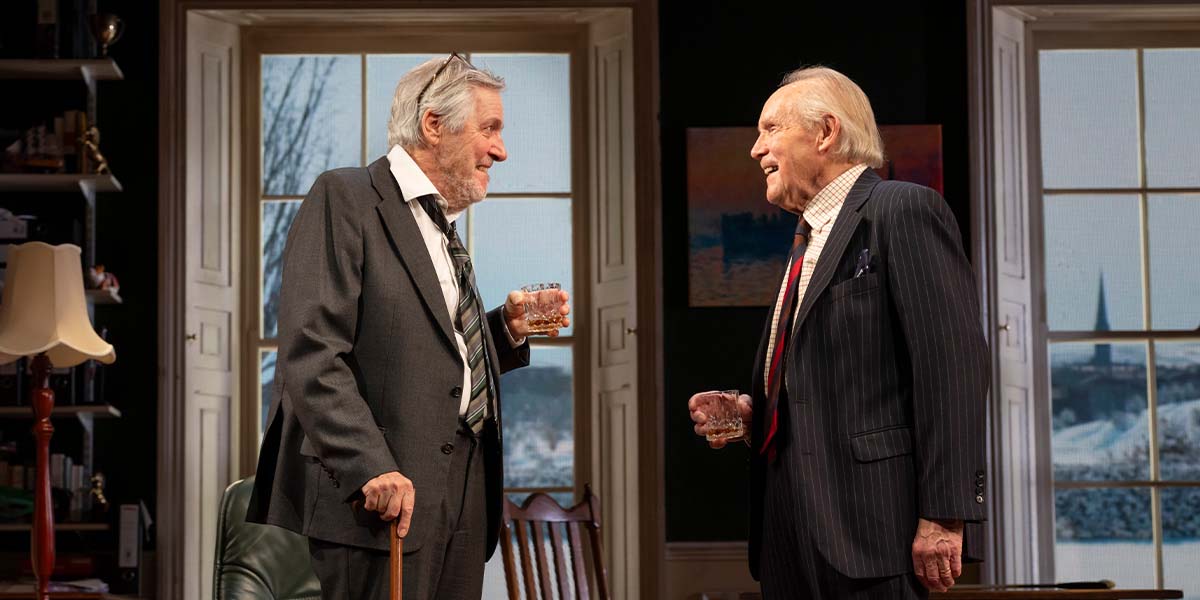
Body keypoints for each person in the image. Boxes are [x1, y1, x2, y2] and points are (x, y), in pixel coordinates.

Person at [248, 53, 571, 600]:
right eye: (490, 129)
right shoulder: (347, 197)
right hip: (381, 495)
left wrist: (505, 329)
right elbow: (312, 351)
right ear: (433, 124)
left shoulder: (440, 225)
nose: (501, 149)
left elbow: (428, 352)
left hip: (466, 491)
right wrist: (369, 466)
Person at [688, 66, 989, 599]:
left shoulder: (902, 210)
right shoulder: (806, 241)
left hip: (873, 531)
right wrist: (753, 415)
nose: (756, 149)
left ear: (825, 133)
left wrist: (944, 516)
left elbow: (954, 367)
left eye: (770, 129)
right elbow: (828, 385)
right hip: (787, 530)